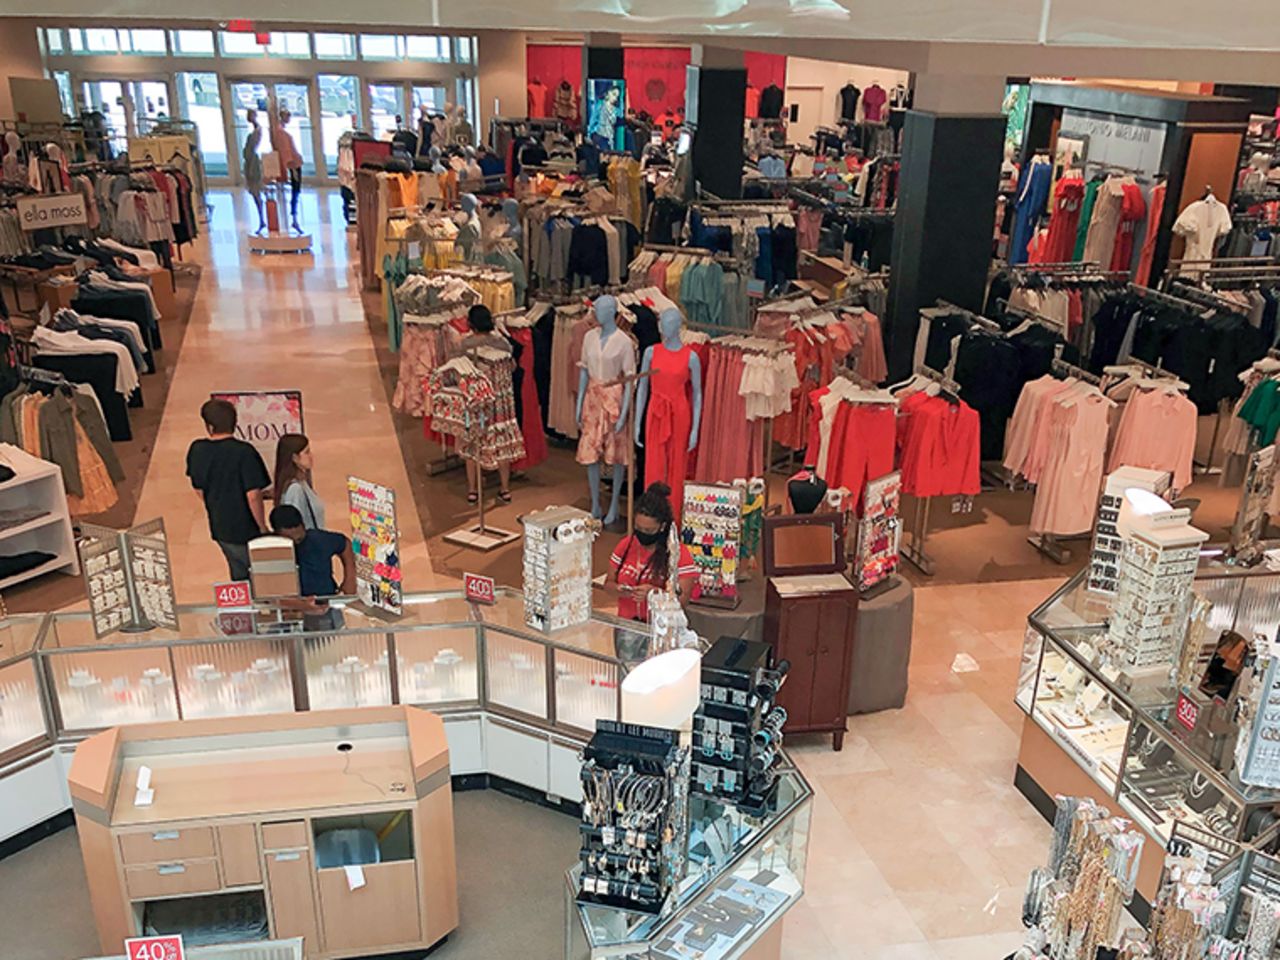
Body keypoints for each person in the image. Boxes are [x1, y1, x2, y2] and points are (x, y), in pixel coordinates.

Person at [186, 399, 270, 581]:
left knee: (238, 571)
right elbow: (253, 495)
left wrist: (217, 501)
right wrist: (262, 526)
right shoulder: (244, 452)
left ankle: (245, 606)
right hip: (246, 527)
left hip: (220, 525)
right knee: (262, 576)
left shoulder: (198, 450)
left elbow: (198, 487)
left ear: (209, 426)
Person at [453, 303, 516, 504]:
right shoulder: (502, 343)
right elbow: (512, 367)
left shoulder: (465, 345)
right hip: (500, 403)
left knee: (472, 444)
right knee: (502, 442)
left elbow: (458, 372)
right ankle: (505, 488)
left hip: (475, 402)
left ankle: (473, 489)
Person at [609, 482, 697, 622]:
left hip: (661, 628)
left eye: (649, 530)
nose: (642, 534)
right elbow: (608, 584)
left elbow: (682, 601)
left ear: (662, 526)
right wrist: (619, 589)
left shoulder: (678, 554)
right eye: (638, 528)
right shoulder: (625, 545)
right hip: (626, 625)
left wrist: (654, 594)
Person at [269, 504, 356, 629]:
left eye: (299, 538)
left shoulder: (319, 540)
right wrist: (300, 605)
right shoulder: (269, 553)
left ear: (304, 526)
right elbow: (267, 595)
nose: (295, 543)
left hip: (325, 606)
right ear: (277, 534)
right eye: (290, 540)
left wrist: (350, 578)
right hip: (288, 614)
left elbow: (344, 545)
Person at [273, 433, 324, 529]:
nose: (311, 456)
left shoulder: (302, 483)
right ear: (295, 458)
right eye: (307, 452)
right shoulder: (295, 489)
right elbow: (294, 524)